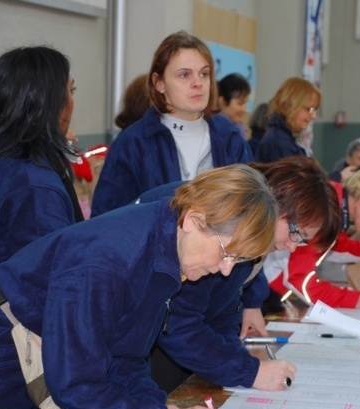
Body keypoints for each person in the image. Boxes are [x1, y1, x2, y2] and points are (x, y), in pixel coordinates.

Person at [0, 164, 277, 409]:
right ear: (194, 219)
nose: (226, 271)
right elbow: (77, 384)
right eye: (225, 253)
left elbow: (125, 356)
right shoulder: (112, 260)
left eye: (237, 260)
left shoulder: (168, 252)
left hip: (39, 379)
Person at [139, 156, 340, 395]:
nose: (293, 246)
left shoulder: (248, 234)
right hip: (141, 349)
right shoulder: (218, 225)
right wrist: (249, 371)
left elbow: (224, 307)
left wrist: (236, 361)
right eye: (297, 233)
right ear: (277, 204)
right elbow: (177, 324)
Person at [0, 46, 82, 312]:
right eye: (70, 91)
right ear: (48, 102)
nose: (72, 101)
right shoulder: (33, 184)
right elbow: (53, 288)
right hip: (10, 344)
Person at [90, 31, 252, 216]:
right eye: (184, 75)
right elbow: (107, 220)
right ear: (159, 83)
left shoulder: (230, 139)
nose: (198, 83)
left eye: (204, 74)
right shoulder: (133, 143)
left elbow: (251, 212)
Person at [265, 165, 360, 309]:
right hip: (265, 291)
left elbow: (334, 246)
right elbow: (300, 280)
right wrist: (351, 298)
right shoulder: (322, 211)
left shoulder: (336, 202)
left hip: (270, 288)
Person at [255, 77, 321, 162]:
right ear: (289, 105)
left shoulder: (283, 139)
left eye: (314, 110)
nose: (313, 116)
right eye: (309, 109)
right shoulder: (279, 143)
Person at [216, 72, 251, 137]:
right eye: (240, 103)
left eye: (246, 103)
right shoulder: (214, 133)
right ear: (222, 101)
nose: (244, 110)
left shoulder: (239, 130)